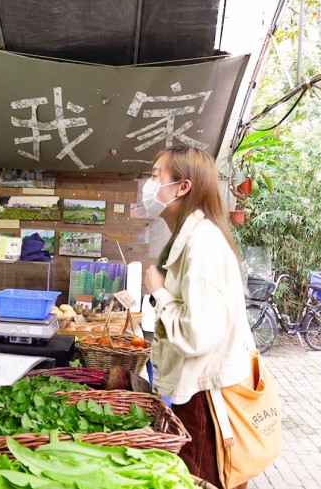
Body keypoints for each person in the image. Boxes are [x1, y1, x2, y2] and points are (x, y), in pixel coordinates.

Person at [142, 146, 253, 489]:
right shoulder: (193, 236)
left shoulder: (202, 244)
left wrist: (159, 292)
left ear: (182, 187)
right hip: (199, 393)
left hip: (207, 399)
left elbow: (198, 334)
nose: (149, 184)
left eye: (156, 175)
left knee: (205, 481)